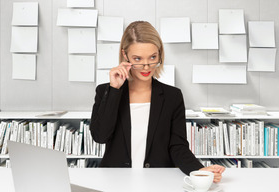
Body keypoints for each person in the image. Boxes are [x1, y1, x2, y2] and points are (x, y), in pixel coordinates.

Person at [90, 21, 225, 182]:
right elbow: (100, 136)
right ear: (125, 55)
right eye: (138, 59)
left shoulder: (172, 96)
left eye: (153, 57)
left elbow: (177, 146)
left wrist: (199, 170)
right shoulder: (106, 91)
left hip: (158, 181)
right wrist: (114, 91)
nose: (146, 67)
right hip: (115, 181)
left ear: (160, 54)